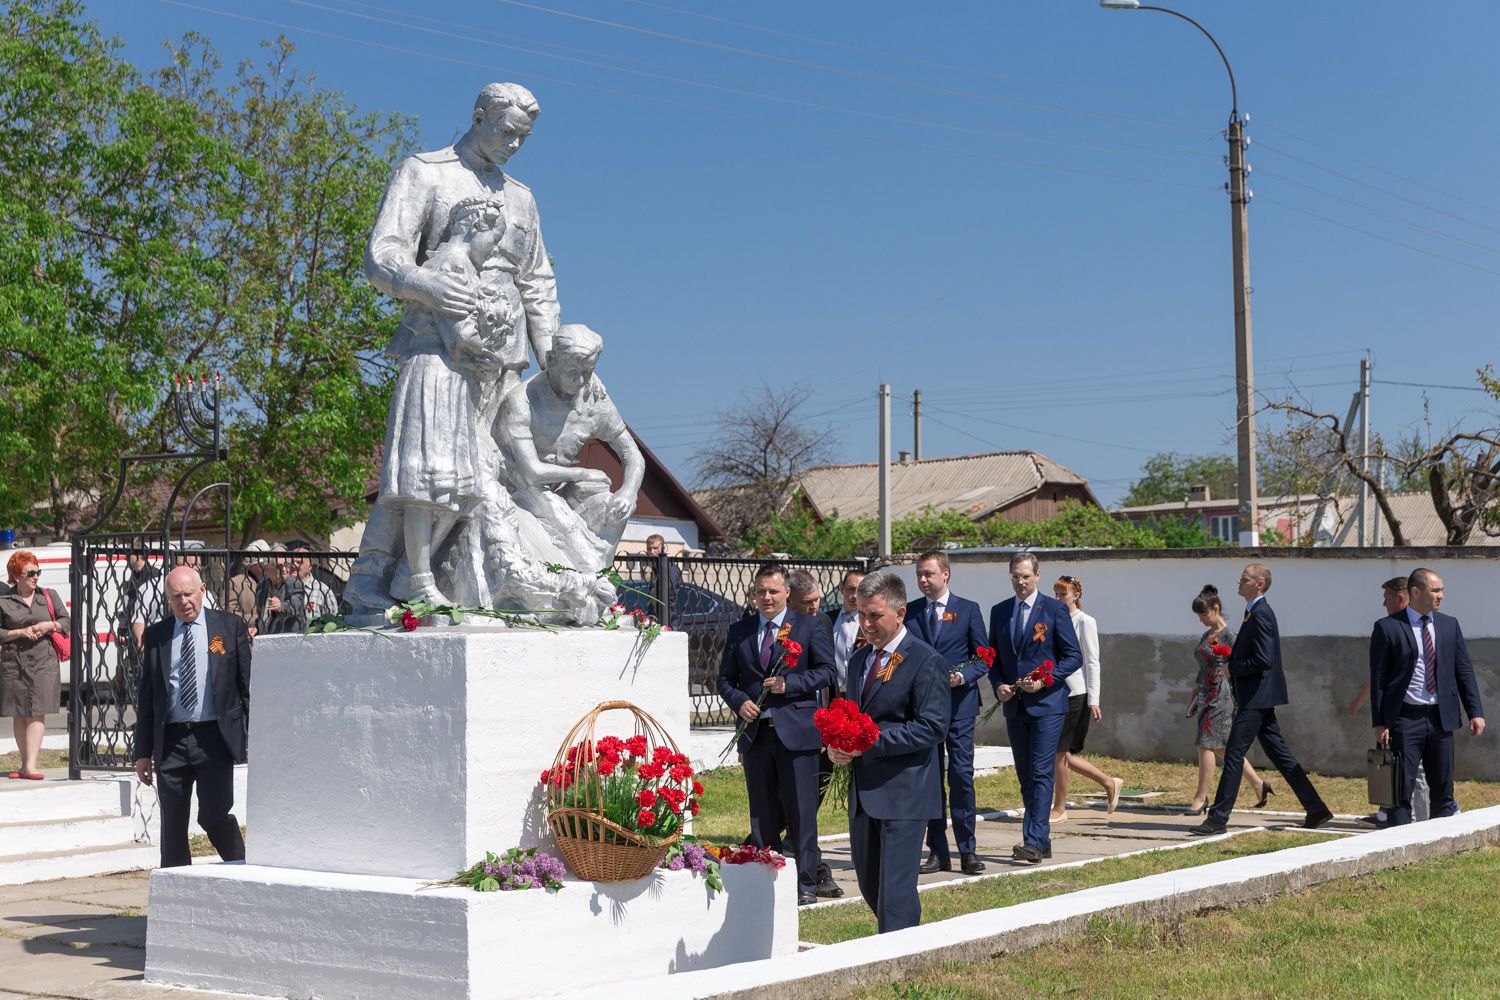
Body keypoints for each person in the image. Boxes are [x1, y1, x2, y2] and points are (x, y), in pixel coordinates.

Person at [345, 81, 560, 615]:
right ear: (479, 115)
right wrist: (427, 284)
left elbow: (537, 280)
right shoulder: (425, 171)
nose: (513, 144)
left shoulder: (521, 197)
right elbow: (382, 255)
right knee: (423, 465)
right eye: (507, 131)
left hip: (503, 358)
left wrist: (552, 358)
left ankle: (451, 576)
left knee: (481, 474)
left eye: (523, 139)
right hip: (438, 346)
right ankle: (374, 574)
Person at [835, 570, 950, 933]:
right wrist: (837, 744)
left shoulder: (925, 660)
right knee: (871, 886)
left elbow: (932, 726)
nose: (866, 624)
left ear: (899, 613)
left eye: (875, 615)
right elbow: (853, 716)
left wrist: (867, 742)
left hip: (906, 792)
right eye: (861, 615)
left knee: (896, 895)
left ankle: (896, 966)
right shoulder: (858, 661)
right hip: (865, 793)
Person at [716, 562, 836, 906]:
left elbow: (827, 672)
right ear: (753, 595)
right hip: (757, 735)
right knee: (762, 811)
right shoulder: (740, 631)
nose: (766, 597)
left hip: (797, 732)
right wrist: (740, 702)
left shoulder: (809, 626)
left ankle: (807, 882)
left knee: (801, 811)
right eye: (761, 592)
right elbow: (725, 680)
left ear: (786, 593)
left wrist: (789, 684)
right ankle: (767, 877)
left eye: (773, 591)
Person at [1189, 564, 1332, 836]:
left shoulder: (1261, 613)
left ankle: (1218, 818)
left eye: (1245, 579)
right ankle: (1317, 809)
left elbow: (1264, 659)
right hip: (1258, 697)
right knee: (1281, 755)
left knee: (1233, 754)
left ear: (1260, 585)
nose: (1239, 581)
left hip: (1257, 697)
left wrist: (1233, 667)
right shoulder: (1252, 612)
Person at [134, 566, 250, 868]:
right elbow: (147, 697)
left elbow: (246, 686)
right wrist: (142, 752)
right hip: (171, 741)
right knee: (172, 823)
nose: (184, 601)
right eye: (176, 597)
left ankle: (243, 868)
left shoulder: (228, 627)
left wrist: (251, 736)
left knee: (214, 815)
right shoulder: (157, 635)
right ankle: (175, 891)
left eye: (188, 594)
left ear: (202, 591)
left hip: (213, 737)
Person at [1369, 568, 1485, 826]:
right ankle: (1399, 845)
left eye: (1442, 590)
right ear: (1415, 592)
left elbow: (1463, 669)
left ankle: (1439, 844)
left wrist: (1475, 711)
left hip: (1440, 718)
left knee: (1443, 788)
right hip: (1404, 719)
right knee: (1400, 790)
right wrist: (1380, 722)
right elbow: (1378, 678)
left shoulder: (1448, 625)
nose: (1441, 596)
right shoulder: (1388, 627)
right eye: (1435, 590)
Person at [986, 552, 1081, 863]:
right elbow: (994, 659)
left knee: (1041, 771)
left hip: (1048, 704)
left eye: (1026, 575)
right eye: (1015, 575)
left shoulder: (1054, 609)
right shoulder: (1000, 611)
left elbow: (1072, 656)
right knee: (1026, 774)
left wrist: (1045, 680)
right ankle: (1042, 838)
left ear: (1037, 576)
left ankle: (1034, 840)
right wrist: (999, 684)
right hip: (1015, 705)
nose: (1021, 581)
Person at [904, 551, 989, 876]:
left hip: (959, 706)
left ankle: (968, 849)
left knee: (961, 775)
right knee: (929, 780)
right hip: (923, 710)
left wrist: (963, 676)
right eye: (920, 575)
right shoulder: (909, 612)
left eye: (929, 574)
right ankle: (937, 850)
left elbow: (984, 656)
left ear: (946, 574)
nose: (924, 580)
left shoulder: (968, 610)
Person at [1185, 584, 1272, 815]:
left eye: (1203, 613)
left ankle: (1201, 798)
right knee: (1223, 748)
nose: (1201, 619)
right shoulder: (1210, 636)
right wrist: (1195, 689)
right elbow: (1206, 662)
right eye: (1199, 614)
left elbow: (1235, 664)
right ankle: (1258, 784)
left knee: (1205, 744)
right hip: (1205, 692)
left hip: (1220, 694)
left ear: (1216, 608)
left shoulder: (1230, 636)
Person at [1347, 577, 1426, 826]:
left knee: (1416, 770)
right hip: (1396, 713)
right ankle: (1390, 812)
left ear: (1401, 598)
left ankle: (1422, 821)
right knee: (1394, 763)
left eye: (1387, 597)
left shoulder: (1418, 629)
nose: (1383, 603)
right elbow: (1380, 675)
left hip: (1412, 714)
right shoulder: (1389, 628)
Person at [784, 568, 843, 898]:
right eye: (808, 602)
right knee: (790, 806)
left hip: (819, 731)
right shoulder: (777, 628)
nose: (816, 606)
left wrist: (832, 727)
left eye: (819, 599)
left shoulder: (821, 623)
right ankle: (815, 870)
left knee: (806, 805)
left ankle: (810, 865)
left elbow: (828, 677)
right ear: (789, 599)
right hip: (786, 731)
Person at [1049, 575, 1124, 822]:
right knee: (1061, 754)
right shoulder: (1053, 618)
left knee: (1060, 753)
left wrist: (1094, 698)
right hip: (1056, 691)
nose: (1059, 599)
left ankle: (1060, 808)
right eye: (1057, 594)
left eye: (1064, 594)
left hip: (1076, 694)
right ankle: (1108, 781)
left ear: (1076, 595)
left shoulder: (1084, 621)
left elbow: (1092, 661)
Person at [1, 552, 69, 779]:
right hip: (14, 662)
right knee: (19, 713)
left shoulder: (49, 595)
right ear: (16, 575)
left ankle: (31, 765)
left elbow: (66, 621)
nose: (35, 577)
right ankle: (23, 765)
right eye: (30, 572)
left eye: (38, 572)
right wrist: (19, 632)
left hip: (44, 662)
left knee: (37, 712)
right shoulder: (3, 601)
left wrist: (50, 625)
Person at [828, 567, 866, 697]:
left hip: (858, 693)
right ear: (842, 588)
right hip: (830, 693)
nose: (855, 595)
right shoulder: (827, 619)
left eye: (860, 590)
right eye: (850, 589)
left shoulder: (871, 623)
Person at [256, 545, 307, 635]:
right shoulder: (262, 586)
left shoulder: (295, 583)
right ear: (268, 568)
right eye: (278, 566)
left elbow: (296, 605)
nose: (284, 570)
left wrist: (282, 606)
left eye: (286, 565)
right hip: (265, 639)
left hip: (288, 639)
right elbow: (260, 613)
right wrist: (256, 627)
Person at [284, 541, 340, 621]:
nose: (294, 565)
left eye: (299, 562)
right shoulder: (282, 586)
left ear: (310, 567)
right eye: (292, 562)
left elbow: (333, 619)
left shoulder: (323, 590)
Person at [227, 540, 270, 637]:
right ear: (252, 565)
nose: (265, 566)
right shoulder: (236, 582)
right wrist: (246, 627)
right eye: (262, 563)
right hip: (247, 637)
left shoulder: (270, 582)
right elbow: (230, 611)